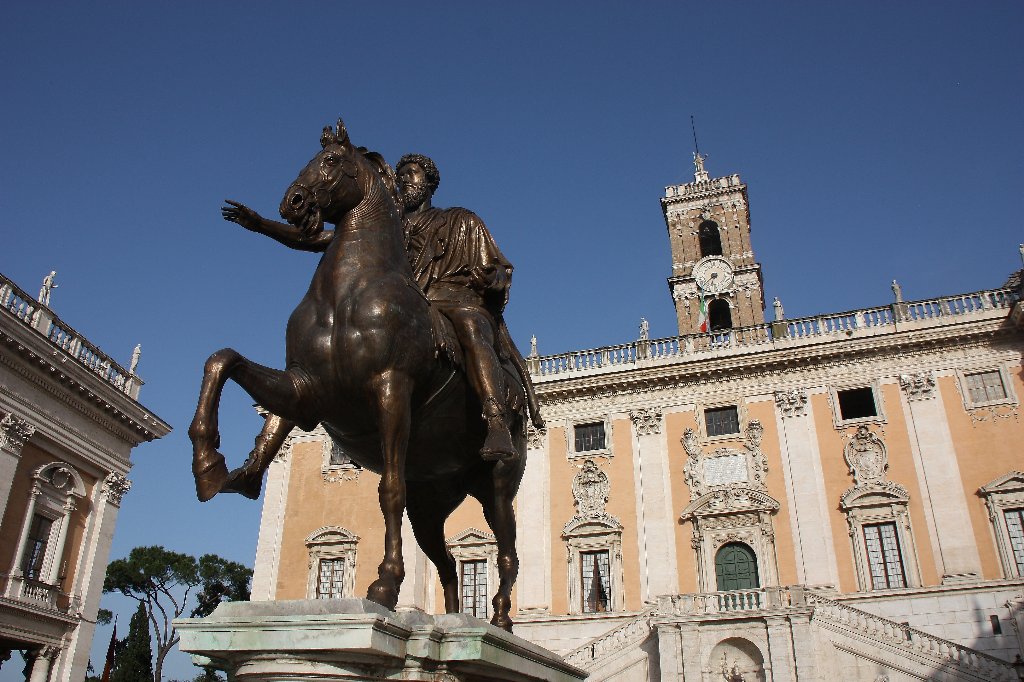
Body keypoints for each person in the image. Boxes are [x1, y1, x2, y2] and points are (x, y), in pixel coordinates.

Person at [396, 153, 542, 461]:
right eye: (402, 175)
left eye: (413, 173)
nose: (406, 179)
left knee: (472, 329)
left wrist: (491, 277)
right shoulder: (387, 229)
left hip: (454, 301)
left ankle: (496, 420)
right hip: (406, 303)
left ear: (430, 183)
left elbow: (500, 267)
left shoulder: (462, 221)